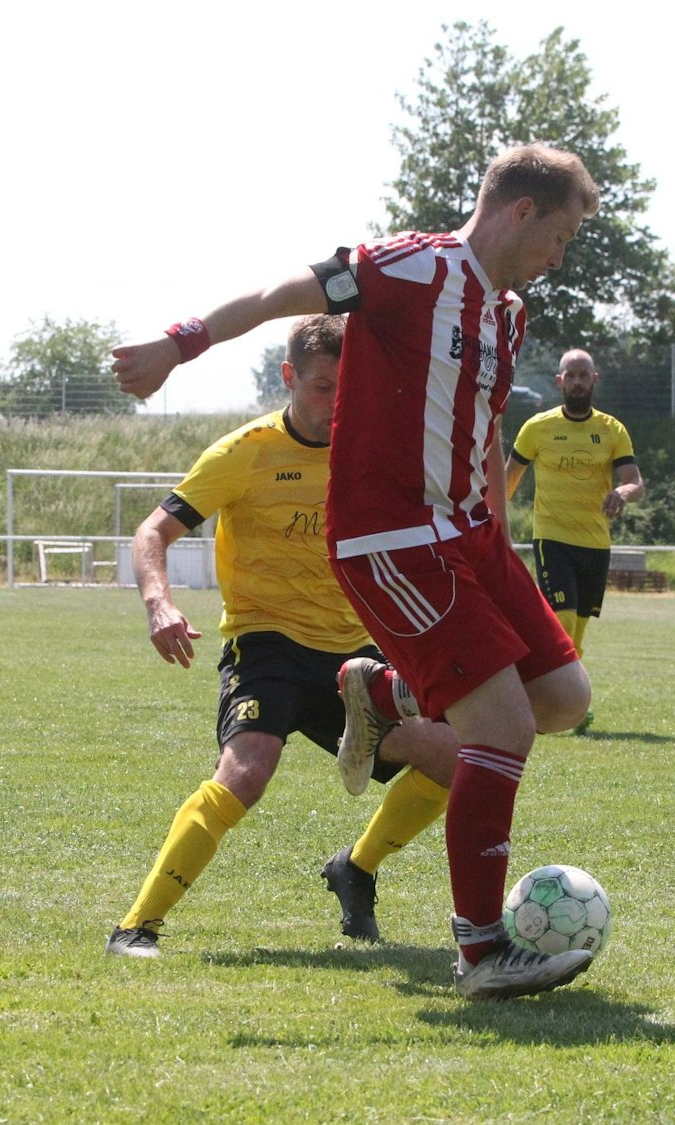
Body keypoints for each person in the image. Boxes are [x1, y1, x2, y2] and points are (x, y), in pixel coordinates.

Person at [111, 142, 598, 1000]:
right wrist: (178, 344)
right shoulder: (408, 267)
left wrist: (501, 535)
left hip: (470, 534)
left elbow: (482, 431)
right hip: (396, 534)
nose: (560, 257)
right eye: (559, 236)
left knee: (565, 699)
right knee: (502, 730)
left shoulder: (508, 314)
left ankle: (383, 695)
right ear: (522, 210)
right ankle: (483, 951)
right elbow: (278, 297)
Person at [107, 314, 461, 958]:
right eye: (324, 386)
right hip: (265, 644)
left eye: (350, 386)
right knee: (247, 771)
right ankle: (137, 925)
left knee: (450, 757)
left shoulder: (376, 449)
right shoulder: (244, 453)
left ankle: (355, 868)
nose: (338, 402)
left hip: (355, 656)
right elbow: (152, 532)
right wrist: (159, 603)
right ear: (289, 377)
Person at [504, 347, 643, 732]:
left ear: (594, 380)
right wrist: (491, 523)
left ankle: (570, 705)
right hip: (552, 539)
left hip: (595, 543)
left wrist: (623, 493)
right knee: (561, 621)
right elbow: (507, 480)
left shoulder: (612, 430)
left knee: (577, 632)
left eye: (585, 375)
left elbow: (634, 480)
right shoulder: (537, 427)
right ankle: (539, 700)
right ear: (559, 382)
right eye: (572, 375)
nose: (578, 382)